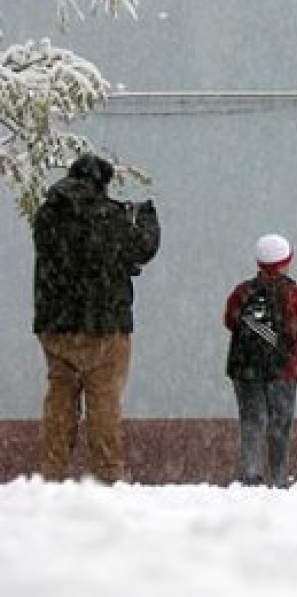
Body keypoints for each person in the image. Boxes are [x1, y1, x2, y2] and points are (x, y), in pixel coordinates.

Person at [32, 154, 161, 483]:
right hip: (103, 324)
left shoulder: (47, 215)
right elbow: (140, 249)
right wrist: (145, 218)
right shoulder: (109, 215)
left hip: (55, 324)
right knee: (103, 399)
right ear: (102, 183)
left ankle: (52, 470)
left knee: (60, 396)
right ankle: (107, 474)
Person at [223, 234, 297, 487]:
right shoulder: (295, 294)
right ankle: (278, 477)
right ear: (287, 262)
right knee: (280, 425)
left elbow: (229, 320)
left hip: (245, 368)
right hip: (284, 369)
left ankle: (251, 473)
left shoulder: (243, 291)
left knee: (252, 421)